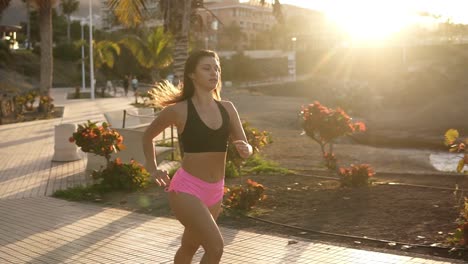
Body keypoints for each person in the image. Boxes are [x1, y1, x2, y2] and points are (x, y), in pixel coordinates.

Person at [142, 50, 253, 264]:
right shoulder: (179, 110)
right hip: (186, 189)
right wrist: (153, 167)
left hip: (215, 191)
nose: (214, 72)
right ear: (192, 74)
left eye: (217, 68)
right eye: (207, 68)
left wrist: (246, 149)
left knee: (190, 246)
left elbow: (245, 144)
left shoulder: (228, 109)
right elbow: (148, 136)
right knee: (216, 247)